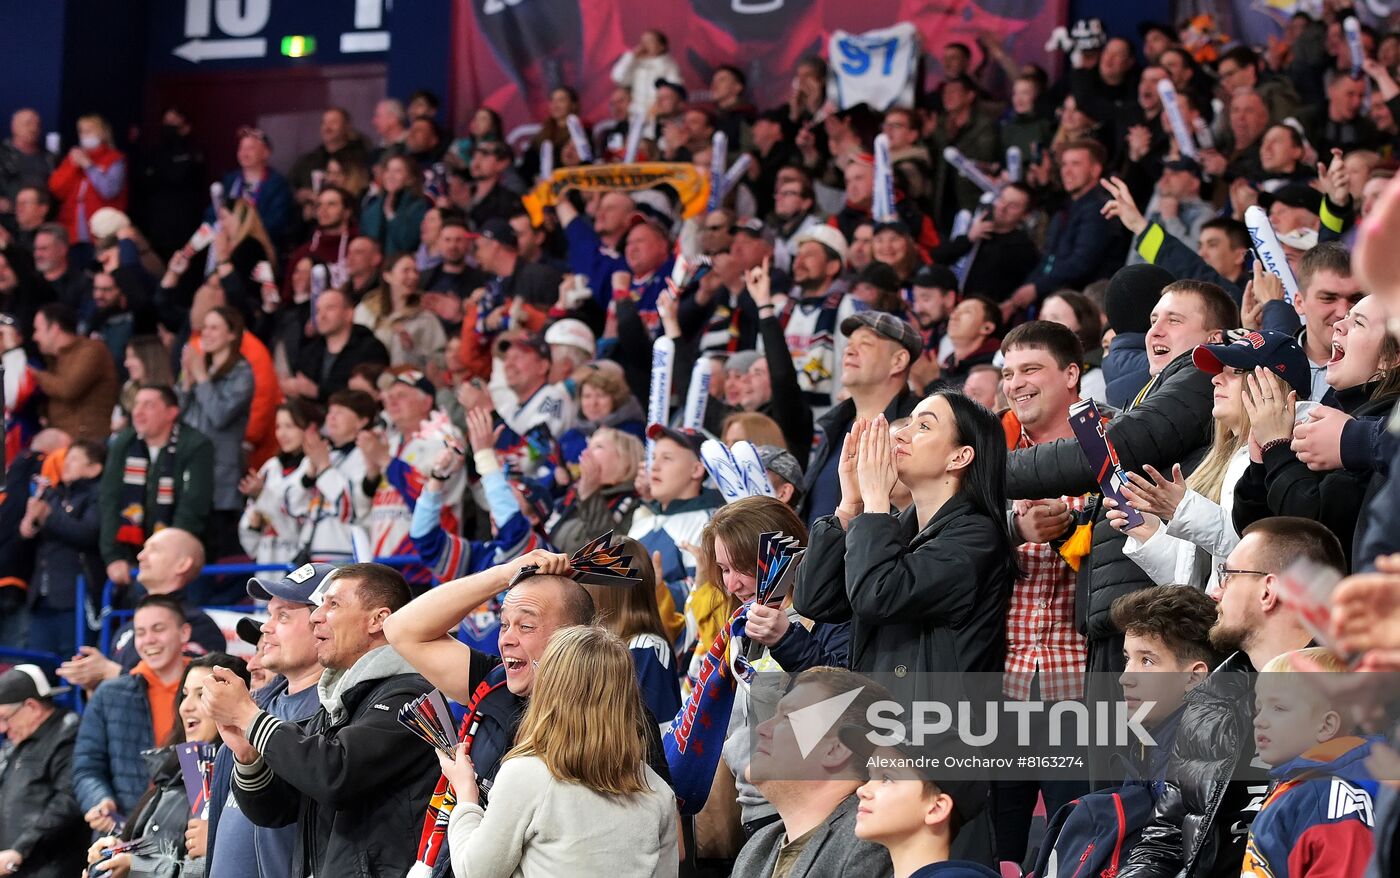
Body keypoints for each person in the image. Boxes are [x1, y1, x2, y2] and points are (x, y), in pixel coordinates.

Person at [383, 547, 671, 878]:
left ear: (572, 637)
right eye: (505, 624)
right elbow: (401, 630)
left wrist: (467, 795)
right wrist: (506, 574)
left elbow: (657, 829)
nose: (506, 639)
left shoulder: (621, 720)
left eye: (526, 626)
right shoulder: (495, 682)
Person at [1004, 281, 1235, 675]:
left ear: (1213, 338)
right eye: (1153, 320)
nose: (1155, 331)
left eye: (1173, 320)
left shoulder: (1200, 375)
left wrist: (990, 469)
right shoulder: (1156, 389)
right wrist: (1068, 527)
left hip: (1150, 620)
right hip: (1121, 615)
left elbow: (1111, 450)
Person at [1119, 517, 1347, 878]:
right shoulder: (1212, 699)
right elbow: (1164, 841)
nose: (1215, 591)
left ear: (1268, 590)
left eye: (1228, 575)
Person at [204, 563, 436, 878]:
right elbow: (277, 810)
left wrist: (250, 718)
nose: (317, 616)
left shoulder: (409, 696)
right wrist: (248, 758)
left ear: (378, 620)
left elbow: (335, 774)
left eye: (333, 604)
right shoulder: (337, 702)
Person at [796, 390, 1017, 696]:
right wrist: (850, 504)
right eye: (908, 423)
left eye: (923, 426)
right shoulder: (896, 528)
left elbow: (879, 595)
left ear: (960, 456)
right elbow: (814, 600)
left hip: (941, 735)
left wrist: (875, 502)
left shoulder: (977, 538)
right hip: (882, 725)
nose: (901, 435)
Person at [438, 625, 679, 878]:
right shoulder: (657, 790)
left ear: (551, 689)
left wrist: (465, 793)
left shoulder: (526, 774)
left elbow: (474, 872)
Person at [1108, 329, 1312, 594]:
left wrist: (1183, 510)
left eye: (1235, 371)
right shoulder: (1225, 456)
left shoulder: (1304, 443)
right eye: (1220, 371)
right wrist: (1149, 533)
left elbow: (1265, 556)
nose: (1216, 379)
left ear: (1274, 385)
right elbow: (1200, 582)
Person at [1233, 295, 1400, 563]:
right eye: (1345, 318)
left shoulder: (1384, 422)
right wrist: (1260, 462)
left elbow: (1313, 536)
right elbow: (1252, 529)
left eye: (1358, 323)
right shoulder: (1336, 409)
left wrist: (1277, 448)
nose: (1339, 325)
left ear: (1391, 358)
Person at [204, 567, 328, 878]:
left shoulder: (340, 717)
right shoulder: (253, 710)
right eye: (269, 615)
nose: (266, 629)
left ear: (324, 624)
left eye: (283, 616)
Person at [86, 653, 251, 878]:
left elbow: (204, 870)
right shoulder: (180, 768)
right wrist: (117, 849)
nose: (186, 707)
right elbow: (163, 850)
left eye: (202, 695)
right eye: (184, 695)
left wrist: (135, 866)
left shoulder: (244, 777)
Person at [731, 667, 895, 878]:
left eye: (788, 718)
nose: (761, 728)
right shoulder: (758, 846)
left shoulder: (872, 844)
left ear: (835, 750)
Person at [1241, 648, 1381, 877]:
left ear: (1325, 726)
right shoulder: (1304, 787)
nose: (1260, 720)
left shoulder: (1331, 798)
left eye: (1279, 708)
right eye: (1259, 708)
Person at [72, 595, 194, 833]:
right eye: (140, 632)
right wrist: (99, 800)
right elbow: (86, 767)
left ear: (184, 633)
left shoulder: (210, 688)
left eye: (158, 629)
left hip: (188, 833)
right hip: (121, 831)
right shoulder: (109, 693)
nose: (149, 640)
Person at [61, 527, 226, 689]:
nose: (140, 556)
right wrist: (94, 682)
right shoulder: (126, 627)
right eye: (143, 550)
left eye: (154, 550)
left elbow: (186, 689)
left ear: (183, 564)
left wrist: (111, 672)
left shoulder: (200, 625)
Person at [801, 312, 922, 524]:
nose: (849, 350)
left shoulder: (916, 430)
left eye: (865, 344)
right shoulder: (835, 424)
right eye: (848, 344)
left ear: (898, 361)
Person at [99, 385, 214, 584]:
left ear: (171, 412)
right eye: (137, 404)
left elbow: (193, 506)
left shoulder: (195, 445)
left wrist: (168, 558)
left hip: (181, 563)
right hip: (134, 558)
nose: (138, 412)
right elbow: (109, 501)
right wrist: (113, 556)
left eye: (149, 405)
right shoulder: (124, 443)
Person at [1111, 586, 1223, 782]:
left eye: (1147, 661)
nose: (1125, 678)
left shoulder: (1194, 772)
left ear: (1194, 677)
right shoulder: (1153, 742)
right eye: (1127, 659)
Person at [1005, 140, 1126, 317]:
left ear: (1095, 170)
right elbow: (1048, 260)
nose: (1067, 171)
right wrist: (1023, 292)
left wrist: (1036, 288)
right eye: (1064, 164)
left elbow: (1081, 263)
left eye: (1075, 164)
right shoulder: (1066, 207)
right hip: (1058, 300)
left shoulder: (1100, 209)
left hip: (1085, 309)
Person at [181, 306, 256, 560]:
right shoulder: (202, 368)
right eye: (205, 328)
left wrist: (201, 378)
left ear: (232, 334)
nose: (206, 334)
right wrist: (187, 382)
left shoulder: (242, 372)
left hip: (221, 480)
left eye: (214, 328)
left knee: (219, 552)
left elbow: (220, 415)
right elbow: (177, 415)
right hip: (189, 474)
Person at [20, 437, 106, 657]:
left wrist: (48, 515)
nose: (66, 464)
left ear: (94, 468)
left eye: (75, 459)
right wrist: (29, 524)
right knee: (37, 667)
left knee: (73, 665)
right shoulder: (55, 495)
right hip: (42, 597)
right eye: (66, 458)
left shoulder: (99, 496)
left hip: (77, 597)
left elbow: (88, 533)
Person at [0, 664, 86, 878]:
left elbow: (68, 800)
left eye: (5, 718)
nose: (2, 728)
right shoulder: (19, 739)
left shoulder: (68, 733)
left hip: (51, 867)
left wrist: (21, 848)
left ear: (32, 707)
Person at [628, 425, 723, 602]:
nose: (654, 467)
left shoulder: (708, 524)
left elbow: (701, 594)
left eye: (667, 458)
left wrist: (649, 589)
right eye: (654, 457)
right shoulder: (643, 520)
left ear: (696, 470)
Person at [238, 400, 321, 566]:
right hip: (267, 561)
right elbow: (249, 542)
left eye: (289, 426)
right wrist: (255, 524)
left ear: (309, 428)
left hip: (301, 566)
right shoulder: (271, 467)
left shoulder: (315, 466)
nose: (282, 434)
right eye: (278, 427)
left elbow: (294, 529)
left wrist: (262, 496)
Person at [30, 302, 120, 441]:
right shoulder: (54, 358)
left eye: (37, 330)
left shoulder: (91, 350)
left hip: (88, 443)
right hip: (62, 440)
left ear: (54, 329)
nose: (34, 337)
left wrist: (33, 374)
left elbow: (68, 389)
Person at [285, 288, 390, 403]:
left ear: (349, 314)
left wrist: (318, 392)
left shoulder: (371, 349)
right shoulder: (310, 351)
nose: (322, 316)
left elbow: (368, 394)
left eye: (330, 308)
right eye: (318, 310)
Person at [355, 251, 447, 369]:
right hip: (369, 379)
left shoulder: (425, 317)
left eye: (415, 271)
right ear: (388, 275)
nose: (413, 276)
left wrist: (412, 348)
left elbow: (440, 361)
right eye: (406, 271)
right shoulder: (366, 310)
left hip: (408, 383)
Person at [47, 114, 127, 247]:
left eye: (89, 130)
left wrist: (89, 166)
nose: (85, 135)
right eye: (82, 131)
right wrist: (72, 166)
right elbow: (56, 189)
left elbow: (109, 190)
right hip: (72, 230)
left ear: (102, 132)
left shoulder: (115, 159)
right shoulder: (74, 157)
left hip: (102, 230)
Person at [218, 127, 293, 245]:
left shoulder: (278, 184)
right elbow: (213, 213)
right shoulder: (230, 180)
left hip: (258, 248)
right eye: (241, 148)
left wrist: (241, 231)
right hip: (227, 245)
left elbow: (276, 224)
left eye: (250, 148)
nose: (244, 153)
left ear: (265, 153)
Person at [360, 154, 430, 255]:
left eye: (398, 171)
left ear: (411, 178)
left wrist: (391, 216)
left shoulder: (419, 207)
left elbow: (407, 243)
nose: (390, 176)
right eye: (388, 170)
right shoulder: (371, 209)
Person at [611, 29, 683, 120]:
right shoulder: (635, 62)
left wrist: (660, 108)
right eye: (643, 41)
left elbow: (675, 91)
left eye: (650, 41)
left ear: (661, 46)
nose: (645, 45)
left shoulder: (669, 65)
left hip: (659, 116)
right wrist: (631, 57)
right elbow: (618, 78)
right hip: (636, 116)